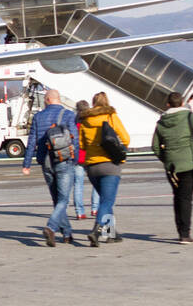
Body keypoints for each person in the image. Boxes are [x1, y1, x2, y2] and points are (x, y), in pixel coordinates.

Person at [21, 89, 79, 247]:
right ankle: (51, 227)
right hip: (64, 160)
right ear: (58, 99)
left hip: (46, 161)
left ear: (46, 100)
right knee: (64, 199)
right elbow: (75, 138)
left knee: (57, 199)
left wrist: (26, 164)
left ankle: (67, 233)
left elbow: (32, 141)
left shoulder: (38, 117)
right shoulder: (68, 115)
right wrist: (75, 159)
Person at [151, 91, 193, 245]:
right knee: (185, 198)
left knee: (178, 196)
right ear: (182, 103)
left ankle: (181, 230)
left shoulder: (161, 121)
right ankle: (184, 233)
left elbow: (155, 147)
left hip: (171, 166)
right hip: (190, 162)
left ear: (168, 104)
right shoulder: (191, 117)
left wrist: (166, 159)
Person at [78, 91, 131, 247]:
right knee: (107, 201)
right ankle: (96, 230)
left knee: (105, 202)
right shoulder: (110, 116)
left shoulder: (85, 120)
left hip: (92, 167)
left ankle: (110, 234)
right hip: (109, 165)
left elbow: (82, 145)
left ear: (93, 103)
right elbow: (126, 138)